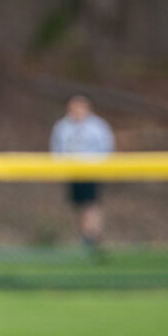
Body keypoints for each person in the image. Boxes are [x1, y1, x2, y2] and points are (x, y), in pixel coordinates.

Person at [49, 95, 115, 249]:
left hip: (91, 170)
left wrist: (102, 165)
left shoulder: (97, 126)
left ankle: (91, 236)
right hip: (73, 171)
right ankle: (85, 236)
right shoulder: (63, 126)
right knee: (79, 205)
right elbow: (56, 147)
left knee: (91, 204)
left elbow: (106, 146)